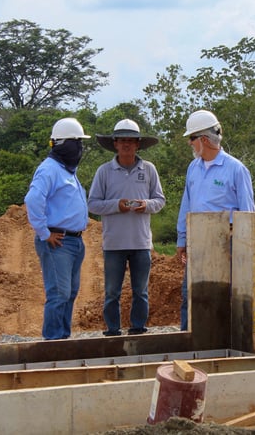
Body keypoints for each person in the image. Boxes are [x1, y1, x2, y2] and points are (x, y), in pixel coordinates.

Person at [176, 109, 255, 330]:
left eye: (192, 138)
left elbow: (247, 213)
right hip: (197, 242)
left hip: (226, 243)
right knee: (190, 293)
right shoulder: (193, 168)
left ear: (203, 139)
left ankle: (225, 340)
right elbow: (186, 205)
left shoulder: (236, 169)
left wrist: (242, 248)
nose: (190, 143)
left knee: (223, 294)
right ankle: (188, 339)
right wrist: (182, 239)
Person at [88, 119, 166, 336]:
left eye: (131, 141)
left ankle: (138, 329)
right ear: (115, 143)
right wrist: (116, 205)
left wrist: (146, 205)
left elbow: (160, 200)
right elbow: (92, 204)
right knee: (112, 292)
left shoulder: (148, 169)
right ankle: (112, 330)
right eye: (122, 140)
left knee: (140, 291)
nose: (126, 144)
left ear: (138, 144)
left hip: (141, 242)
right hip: (114, 243)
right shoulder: (104, 171)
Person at [24, 117, 90, 340]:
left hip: (74, 241)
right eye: (76, 142)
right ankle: (53, 342)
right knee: (59, 294)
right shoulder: (49, 169)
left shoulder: (67, 170)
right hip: (58, 241)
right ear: (64, 144)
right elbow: (33, 200)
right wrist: (44, 233)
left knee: (69, 294)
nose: (79, 148)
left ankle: (63, 340)